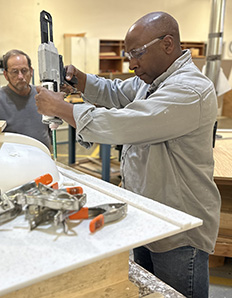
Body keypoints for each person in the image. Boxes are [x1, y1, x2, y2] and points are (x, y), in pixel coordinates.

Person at [35, 11, 221, 298]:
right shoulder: (152, 79)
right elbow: (117, 92)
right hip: (148, 212)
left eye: (137, 53)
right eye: (127, 54)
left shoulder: (189, 89)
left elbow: (123, 124)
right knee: (148, 291)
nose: (131, 64)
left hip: (179, 228)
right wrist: (81, 80)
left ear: (168, 44)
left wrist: (61, 109)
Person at [0, 49, 51, 149]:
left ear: (31, 71)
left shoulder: (42, 95)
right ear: (6, 75)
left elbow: (50, 130)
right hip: (11, 161)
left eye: (24, 71)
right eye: (15, 72)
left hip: (43, 158)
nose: (20, 76)